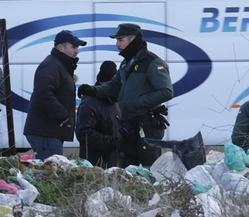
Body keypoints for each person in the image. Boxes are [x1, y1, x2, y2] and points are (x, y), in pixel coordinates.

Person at [79, 23, 175, 167]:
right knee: (128, 169)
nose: (117, 44)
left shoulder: (153, 63)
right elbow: (113, 86)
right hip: (128, 124)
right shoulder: (126, 63)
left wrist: (137, 103)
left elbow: (166, 92)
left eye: (120, 40)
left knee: (149, 169)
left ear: (133, 40)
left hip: (147, 125)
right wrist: (92, 90)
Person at [24, 30, 84, 160]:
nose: (77, 51)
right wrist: (64, 116)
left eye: (77, 47)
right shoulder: (51, 66)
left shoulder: (60, 65)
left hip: (50, 130)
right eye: (73, 47)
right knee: (50, 174)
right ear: (61, 47)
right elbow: (43, 95)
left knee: (50, 173)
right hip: (45, 132)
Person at [76, 61, 121, 167]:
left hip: (112, 163)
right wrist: (114, 143)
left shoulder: (114, 102)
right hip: (94, 166)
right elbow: (84, 134)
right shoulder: (89, 103)